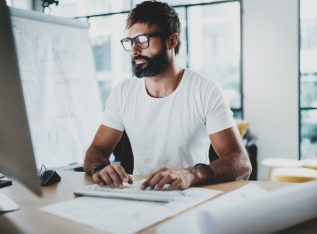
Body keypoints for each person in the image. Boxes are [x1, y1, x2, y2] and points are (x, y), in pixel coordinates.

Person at [84, 0, 252, 190]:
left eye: (142, 40)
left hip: (190, 194)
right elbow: (96, 151)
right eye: (131, 42)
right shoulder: (122, 93)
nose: (134, 50)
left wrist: (192, 173)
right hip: (140, 194)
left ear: (171, 41)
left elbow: (241, 163)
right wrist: (100, 168)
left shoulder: (205, 90)